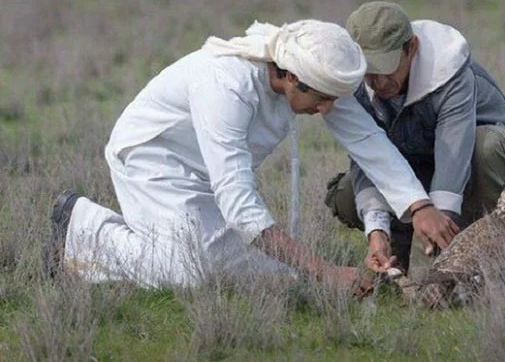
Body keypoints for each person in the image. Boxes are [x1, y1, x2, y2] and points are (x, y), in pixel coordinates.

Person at [45, 19, 439, 292]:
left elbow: (368, 140)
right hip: (152, 159)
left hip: (207, 176)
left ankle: (153, 242)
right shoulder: (226, 85)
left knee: (269, 274)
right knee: (187, 275)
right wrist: (324, 271)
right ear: (289, 77)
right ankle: (82, 225)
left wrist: (418, 205)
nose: (325, 110)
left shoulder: (314, 69)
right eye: (319, 100)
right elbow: (239, 204)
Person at [325, 2, 505, 273]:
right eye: (369, 71)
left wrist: (427, 272)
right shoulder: (355, 80)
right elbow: (367, 157)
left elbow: (452, 163)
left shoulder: (449, 72)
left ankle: (477, 249)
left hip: (492, 163)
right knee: (348, 193)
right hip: (424, 166)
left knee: (487, 146)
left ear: (412, 48)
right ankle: (400, 246)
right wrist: (377, 230)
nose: (378, 83)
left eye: (387, 69)